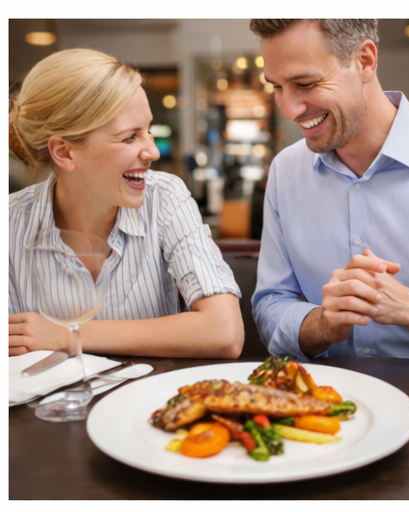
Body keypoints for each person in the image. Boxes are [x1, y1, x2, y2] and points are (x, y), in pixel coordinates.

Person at [249, 19, 409, 364]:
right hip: (333, 409)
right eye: (276, 86)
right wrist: (322, 324)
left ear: (364, 60)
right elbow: (271, 305)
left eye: (305, 83)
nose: (289, 109)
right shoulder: (285, 171)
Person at [9, 48, 244, 359]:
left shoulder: (165, 198)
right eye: (130, 137)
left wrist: (67, 334)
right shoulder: (11, 225)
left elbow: (224, 332)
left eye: (147, 130)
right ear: (64, 153)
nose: (152, 152)